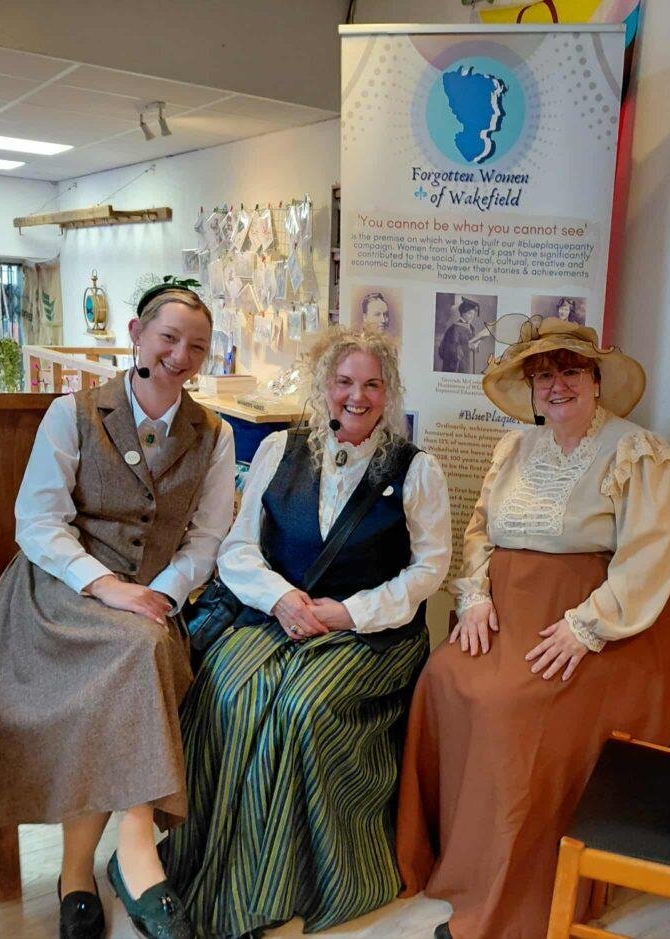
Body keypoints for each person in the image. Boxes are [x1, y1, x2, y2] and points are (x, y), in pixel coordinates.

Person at [396, 317, 670, 939]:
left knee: (515, 708)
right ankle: (459, 864)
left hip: (613, 622)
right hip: (510, 612)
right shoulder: (514, 447)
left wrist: (586, 627)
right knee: (444, 677)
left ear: (595, 380)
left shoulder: (636, 450)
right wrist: (477, 597)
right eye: (542, 376)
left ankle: (516, 891)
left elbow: (649, 558)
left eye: (568, 371)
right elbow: (480, 529)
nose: (555, 386)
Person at [162, 326, 452, 938]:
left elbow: (430, 569)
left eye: (372, 384)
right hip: (280, 614)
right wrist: (285, 598)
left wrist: (349, 613)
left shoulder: (417, 469)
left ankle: (280, 884)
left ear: (388, 391)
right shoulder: (277, 450)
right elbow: (239, 549)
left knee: (301, 706)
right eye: (344, 381)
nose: (357, 396)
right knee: (228, 689)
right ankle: (204, 867)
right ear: (324, 385)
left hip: (372, 633)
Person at [0, 286, 235, 939]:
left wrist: (165, 592)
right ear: (137, 332)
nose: (180, 354)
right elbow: (38, 523)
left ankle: (78, 871)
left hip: (151, 600)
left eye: (195, 346)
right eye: (168, 337)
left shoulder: (215, 434)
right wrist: (107, 586)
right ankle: (136, 846)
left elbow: (207, 540)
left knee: (137, 648)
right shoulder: (73, 413)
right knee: (138, 650)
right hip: (57, 596)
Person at [437, 297, 479, 372]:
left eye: (473, 313)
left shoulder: (471, 328)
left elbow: (473, 344)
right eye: (469, 313)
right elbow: (450, 349)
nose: (472, 316)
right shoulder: (454, 329)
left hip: (467, 363)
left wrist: (475, 345)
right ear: (463, 313)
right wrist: (467, 346)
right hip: (456, 366)